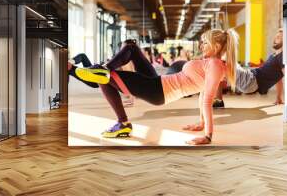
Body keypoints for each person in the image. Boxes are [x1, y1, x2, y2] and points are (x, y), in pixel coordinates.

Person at [73, 29, 238, 145]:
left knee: (105, 77)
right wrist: (201, 123)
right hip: (158, 82)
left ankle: (122, 122)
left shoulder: (216, 65)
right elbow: (202, 94)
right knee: (131, 47)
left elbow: (208, 99)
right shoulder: (210, 63)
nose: (201, 47)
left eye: (205, 43)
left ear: (215, 47)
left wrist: (208, 136)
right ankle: (103, 70)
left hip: (158, 91)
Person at [212, 29, 284, 108]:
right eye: (276, 36)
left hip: (251, 81)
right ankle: (219, 100)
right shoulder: (274, 55)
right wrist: (279, 97)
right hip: (250, 76)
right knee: (218, 66)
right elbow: (279, 79)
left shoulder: (282, 57)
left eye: (279, 37)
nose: (275, 38)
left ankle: (218, 100)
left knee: (218, 63)